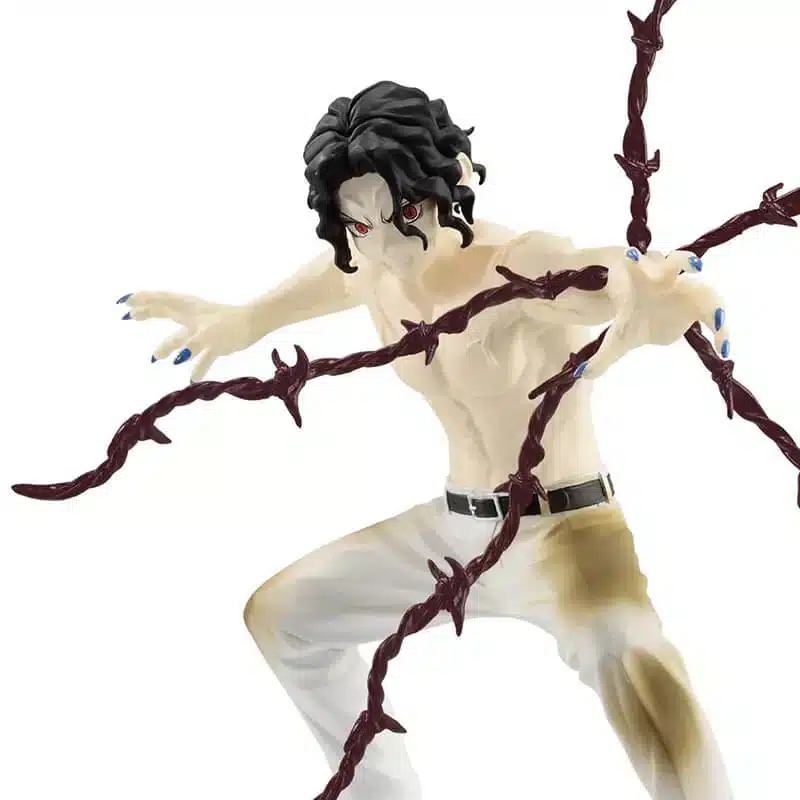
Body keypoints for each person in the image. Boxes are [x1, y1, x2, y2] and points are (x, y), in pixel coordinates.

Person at [120, 81, 733, 799]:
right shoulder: (374, 269)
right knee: (283, 617)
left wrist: (657, 292)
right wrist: (246, 319)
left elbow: (605, 278)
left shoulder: (516, 264)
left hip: (567, 533)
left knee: (634, 665)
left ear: (453, 181)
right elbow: (337, 277)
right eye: (359, 225)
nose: (384, 246)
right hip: (453, 530)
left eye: (406, 215)